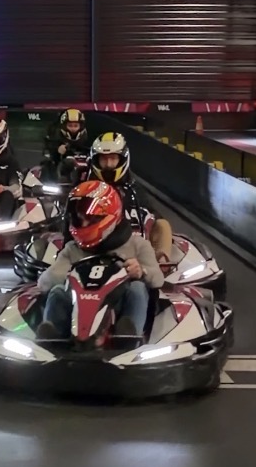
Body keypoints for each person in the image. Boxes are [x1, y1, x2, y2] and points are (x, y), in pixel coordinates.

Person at [34, 179, 164, 342]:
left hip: (116, 308)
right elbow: (44, 283)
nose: (84, 224)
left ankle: (128, 337)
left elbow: (158, 279)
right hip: (77, 308)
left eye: (91, 218)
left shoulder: (137, 245)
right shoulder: (72, 249)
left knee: (137, 288)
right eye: (79, 218)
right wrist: (68, 275)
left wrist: (141, 271)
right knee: (58, 291)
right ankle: (51, 340)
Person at [89, 129, 174, 265]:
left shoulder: (134, 188)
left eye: (113, 158)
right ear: (96, 160)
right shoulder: (87, 187)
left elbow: (152, 213)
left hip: (133, 245)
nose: (109, 164)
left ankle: (161, 263)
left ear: (122, 159)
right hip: (97, 247)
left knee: (162, 225)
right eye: (104, 159)